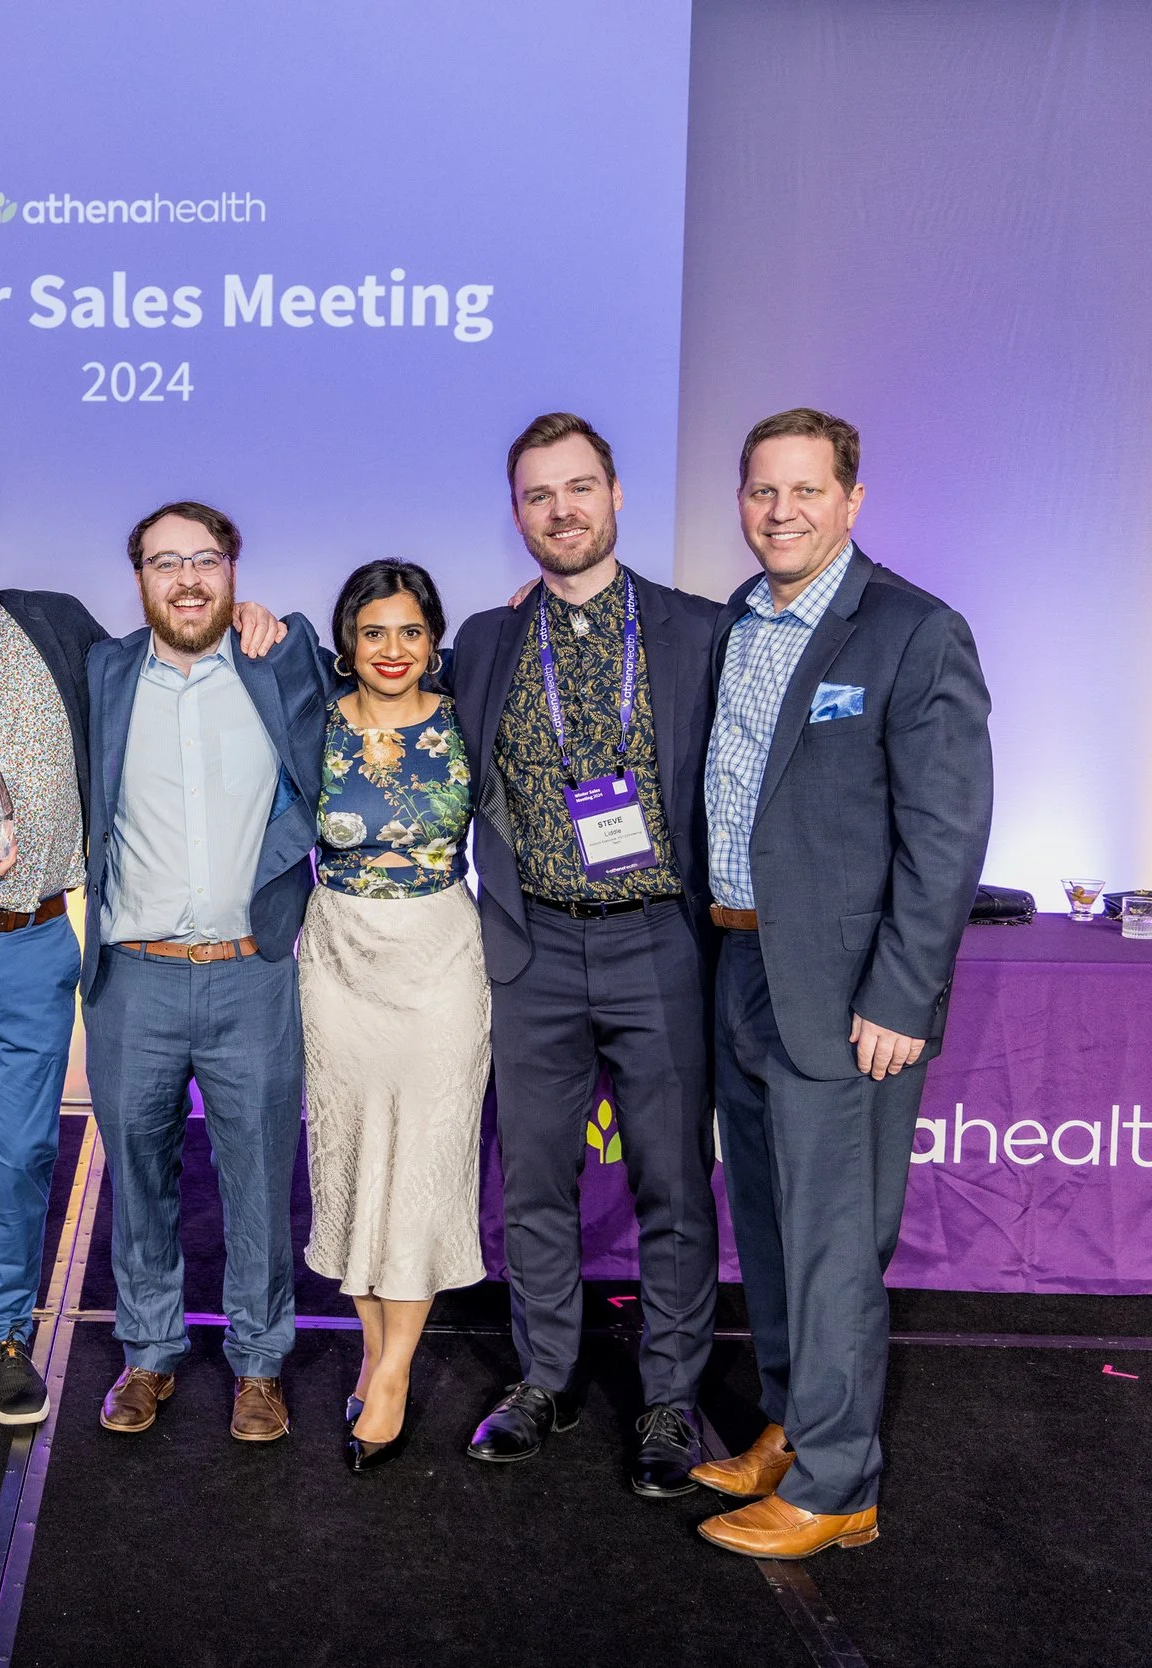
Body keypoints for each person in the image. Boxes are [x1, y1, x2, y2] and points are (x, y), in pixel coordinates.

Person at [0, 458, 282, 1445]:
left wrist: (256, 622)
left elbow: (165, 661)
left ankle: (9, 1335)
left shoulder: (60, 627)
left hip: (35, 944)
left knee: (25, 1155)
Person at [693, 409, 991, 1559]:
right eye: (761, 492)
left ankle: (836, 1488)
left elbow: (944, 836)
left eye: (804, 491)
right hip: (738, 964)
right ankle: (789, 1423)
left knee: (832, 1242)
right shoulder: (738, 619)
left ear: (851, 500)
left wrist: (900, 996)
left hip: (844, 993)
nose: (780, 512)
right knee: (767, 1226)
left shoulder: (914, 633)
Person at [449, 412, 725, 1497]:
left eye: (577, 489)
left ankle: (668, 1396)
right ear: (515, 513)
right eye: (536, 496)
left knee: (671, 1182)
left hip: (658, 939)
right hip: (531, 945)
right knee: (535, 1186)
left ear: (614, 496)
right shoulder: (483, 640)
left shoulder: (698, 631)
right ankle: (545, 1377)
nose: (559, 511)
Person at [83, 501, 327, 1447]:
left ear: (233, 569)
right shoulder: (102, 673)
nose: (186, 578)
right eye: (164, 561)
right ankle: (148, 1350)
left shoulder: (284, 657)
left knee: (261, 1176)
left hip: (251, 971)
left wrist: (281, 863)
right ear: (138, 578)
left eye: (204, 559)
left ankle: (260, 1364)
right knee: (137, 1175)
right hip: (134, 977)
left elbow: (338, 765)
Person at [300, 560, 488, 1473]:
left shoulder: (464, 719)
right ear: (348, 640)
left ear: (434, 639)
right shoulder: (313, 724)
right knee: (352, 1158)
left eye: (411, 631)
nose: (392, 650)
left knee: (425, 1161)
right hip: (336, 957)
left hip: (443, 958)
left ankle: (396, 1372)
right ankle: (375, 1351)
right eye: (374, 632)